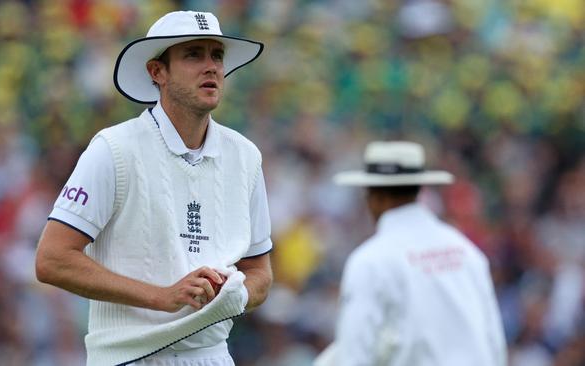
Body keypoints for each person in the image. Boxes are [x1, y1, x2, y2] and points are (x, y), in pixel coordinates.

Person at [35, 10, 273, 366]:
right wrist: (162, 297)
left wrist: (234, 297)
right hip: (129, 357)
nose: (211, 67)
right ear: (157, 72)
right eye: (193, 54)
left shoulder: (245, 156)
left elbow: (260, 273)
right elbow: (52, 260)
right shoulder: (113, 149)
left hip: (212, 357)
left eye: (217, 56)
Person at [315, 141, 507, 366]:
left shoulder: (370, 261)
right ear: (418, 189)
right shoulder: (465, 251)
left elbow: (355, 356)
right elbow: (494, 342)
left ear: (373, 197)